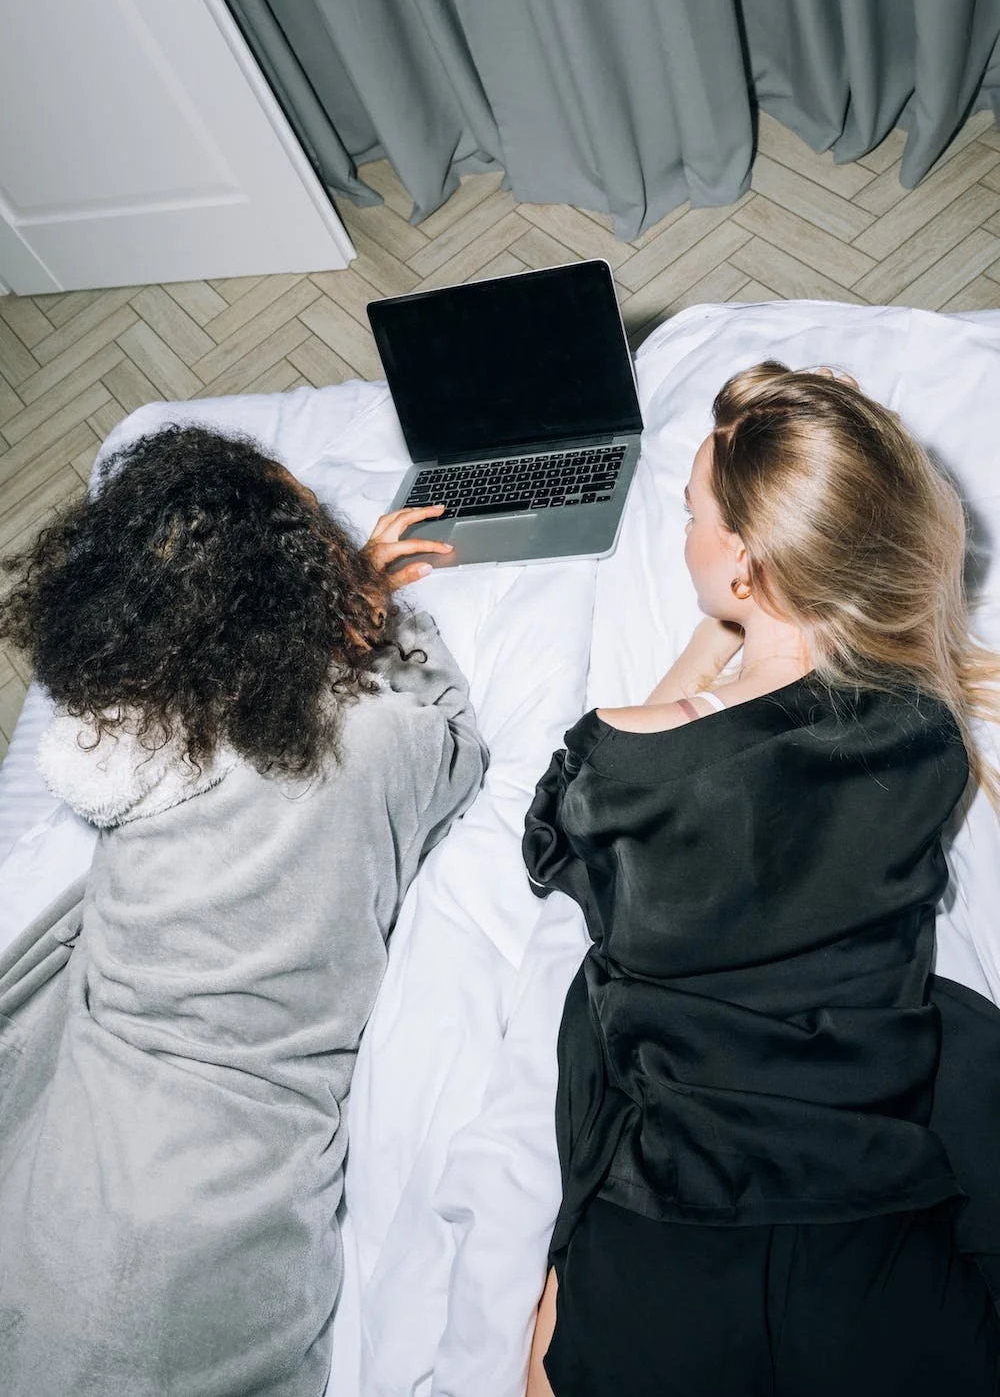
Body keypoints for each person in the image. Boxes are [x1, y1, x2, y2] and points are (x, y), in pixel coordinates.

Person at [522, 363, 1000, 1396]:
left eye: (691, 514)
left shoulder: (621, 760)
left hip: (682, 1182)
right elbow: (922, 536)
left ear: (744, 563)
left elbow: (550, 849)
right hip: (865, 1168)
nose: (681, 530)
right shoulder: (925, 736)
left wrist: (711, 652)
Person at [0, 424, 488, 1397]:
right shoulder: (370, 736)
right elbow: (456, 744)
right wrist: (379, 610)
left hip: (102, 1102)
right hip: (220, 1173)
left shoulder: (128, 734)